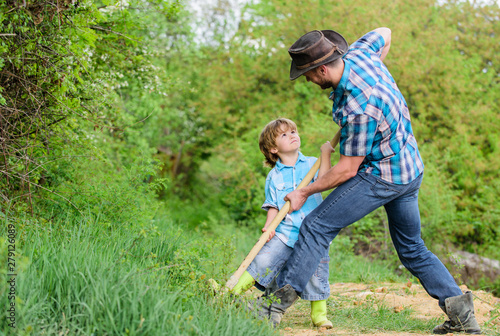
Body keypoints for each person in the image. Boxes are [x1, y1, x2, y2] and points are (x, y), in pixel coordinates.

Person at [252, 28, 481, 335]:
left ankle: (272, 307)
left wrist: (304, 191)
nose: (307, 80)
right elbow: (386, 32)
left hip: (383, 177)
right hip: (410, 168)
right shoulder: (361, 54)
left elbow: (347, 170)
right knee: (412, 248)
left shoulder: (358, 108)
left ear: (322, 68)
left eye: (308, 74)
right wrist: (376, 74)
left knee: (316, 226)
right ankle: (464, 318)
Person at [232, 117, 335, 328]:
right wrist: (269, 227)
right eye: (284, 134)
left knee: (317, 273)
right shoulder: (274, 176)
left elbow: (325, 181)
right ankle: (232, 291)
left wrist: (325, 155)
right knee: (262, 260)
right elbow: (273, 206)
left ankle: (320, 316)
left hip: (314, 234)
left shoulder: (312, 163)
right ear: (273, 149)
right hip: (285, 231)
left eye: (294, 131)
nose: (292, 136)